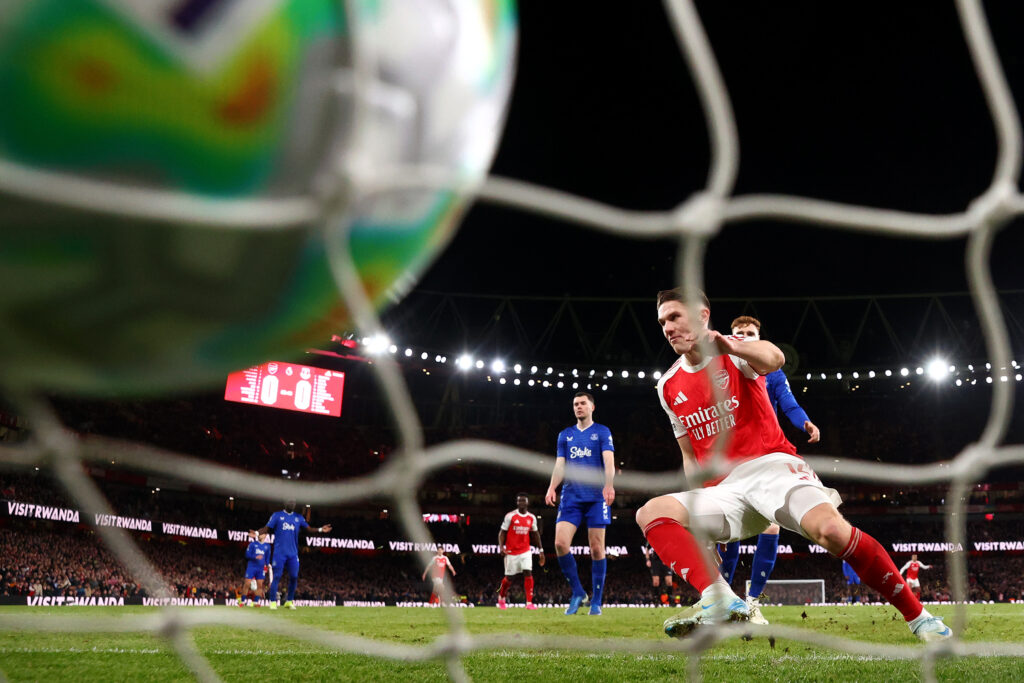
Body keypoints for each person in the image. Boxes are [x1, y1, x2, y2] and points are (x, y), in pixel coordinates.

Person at [635, 288, 951, 641]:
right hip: (724, 491)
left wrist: (730, 344)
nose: (667, 327)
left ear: (702, 316)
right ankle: (719, 597)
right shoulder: (667, 386)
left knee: (831, 532)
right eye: (662, 321)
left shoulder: (735, 352)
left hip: (772, 467)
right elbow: (690, 456)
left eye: (675, 317)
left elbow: (775, 359)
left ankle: (921, 619)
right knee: (650, 512)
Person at [714, 315, 824, 625]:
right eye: (740, 333)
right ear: (730, 336)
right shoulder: (719, 370)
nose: (745, 337)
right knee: (730, 533)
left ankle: (752, 602)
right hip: (730, 458)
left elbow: (788, 403)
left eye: (751, 333)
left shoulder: (772, 372)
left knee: (771, 524)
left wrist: (804, 421)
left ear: (760, 338)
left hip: (766, 454)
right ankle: (723, 600)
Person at [545, 391, 616, 616]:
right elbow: (560, 466)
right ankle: (577, 592)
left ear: (592, 407)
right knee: (560, 544)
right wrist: (551, 487)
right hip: (571, 497)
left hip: (596, 497)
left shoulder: (602, 432)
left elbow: (609, 461)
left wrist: (609, 484)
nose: (579, 407)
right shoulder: (565, 435)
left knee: (597, 548)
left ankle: (596, 601)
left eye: (583, 403)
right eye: (575, 404)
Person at [252, 500, 332, 610]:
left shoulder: (298, 517)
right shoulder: (277, 515)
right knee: (276, 577)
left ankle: (289, 602)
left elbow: (308, 529)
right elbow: (267, 528)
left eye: (294, 502)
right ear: (285, 503)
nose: (292, 503)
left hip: (293, 554)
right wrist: (257, 533)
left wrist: (320, 529)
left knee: (294, 577)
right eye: (290, 502)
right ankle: (273, 602)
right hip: (279, 553)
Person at [497, 493, 545, 610]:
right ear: (517, 503)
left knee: (528, 572)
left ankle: (529, 603)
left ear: (527, 503)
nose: (521, 503)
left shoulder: (531, 518)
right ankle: (501, 597)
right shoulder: (510, 516)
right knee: (509, 578)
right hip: (511, 551)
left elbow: (535, 534)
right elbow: (502, 532)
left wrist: (541, 550)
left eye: (523, 501)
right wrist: (501, 547)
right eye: (519, 501)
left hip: (525, 551)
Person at [236, 531, 271, 607]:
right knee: (247, 583)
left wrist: (267, 565)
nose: (260, 535)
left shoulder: (267, 546)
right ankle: (242, 601)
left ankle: (255, 602)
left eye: (262, 534)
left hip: (261, 568)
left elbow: (267, 558)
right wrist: (255, 557)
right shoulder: (252, 544)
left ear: (265, 535)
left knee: (260, 585)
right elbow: (247, 554)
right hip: (251, 567)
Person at [642, 542, 675, 606]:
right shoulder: (653, 537)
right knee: (656, 582)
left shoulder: (668, 538)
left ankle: (670, 598)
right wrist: (647, 560)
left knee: (669, 582)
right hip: (656, 562)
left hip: (666, 561)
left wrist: (670, 559)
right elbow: (647, 549)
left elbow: (672, 549)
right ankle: (656, 599)